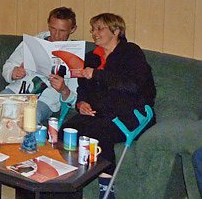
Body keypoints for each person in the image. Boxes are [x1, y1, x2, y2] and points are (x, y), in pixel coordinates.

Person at [64, 13, 156, 199]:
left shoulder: (130, 52)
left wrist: (97, 74)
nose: (94, 33)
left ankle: (106, 190)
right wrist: (81, 103)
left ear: (116, 31)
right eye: (93, 29)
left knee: (99, 132)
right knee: (66, 131)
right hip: (100, 111)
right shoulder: (91, 57)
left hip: (131, 112)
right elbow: (83, 88)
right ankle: (65, 186)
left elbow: (134, 85)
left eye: (99, 29)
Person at [0, 7, 80, 124]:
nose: (56, 35)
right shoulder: (32, 42)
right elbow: (8, 66)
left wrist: (64, 89)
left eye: (62, 31)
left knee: (29, 118)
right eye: (53, 28)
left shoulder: (75, 54)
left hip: (45, 101)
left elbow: (75, 99)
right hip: (16, 91)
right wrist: (13, 73)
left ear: (72, 29)